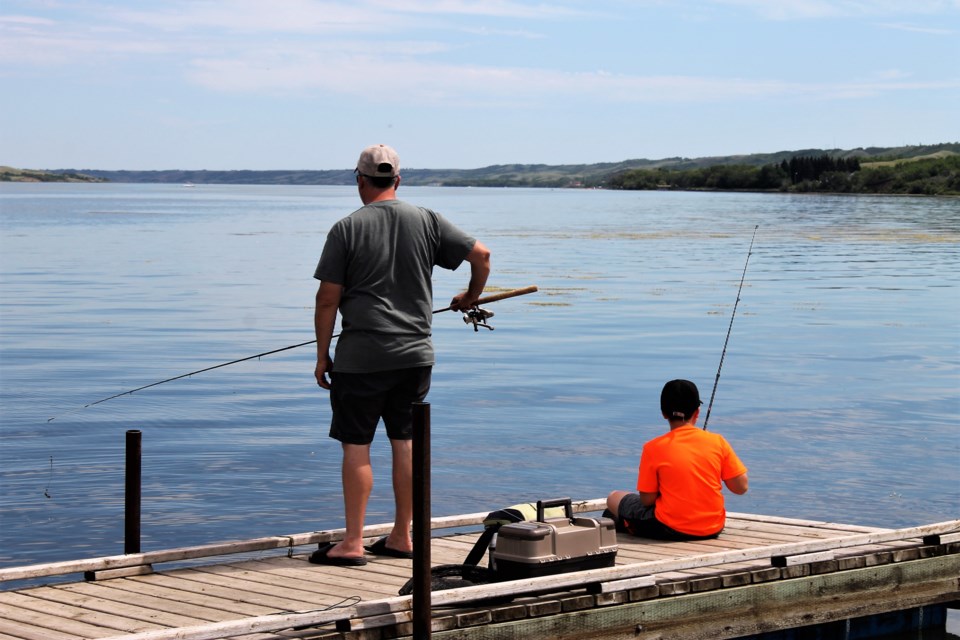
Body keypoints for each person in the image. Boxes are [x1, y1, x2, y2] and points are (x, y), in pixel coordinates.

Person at [310, 144, 491, 566]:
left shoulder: (346, 228)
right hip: (414, 355)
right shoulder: (427, 219)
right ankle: (401, 536)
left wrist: (322, 355)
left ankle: (353, 543)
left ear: (359, 179)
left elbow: (327, 299)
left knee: (357, 446)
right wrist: (471, 295)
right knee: (404, 443)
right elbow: (481, 255)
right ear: (398, 180)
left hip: (361, 358)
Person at [606, 379, 748, 541]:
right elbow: (741, 487)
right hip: (713, 527)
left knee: (613, 498)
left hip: (668, 528)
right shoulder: (718, 442)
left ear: (664, 413)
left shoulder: (653, 447)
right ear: (697, 412)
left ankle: (625, 523)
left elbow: (647, 500)